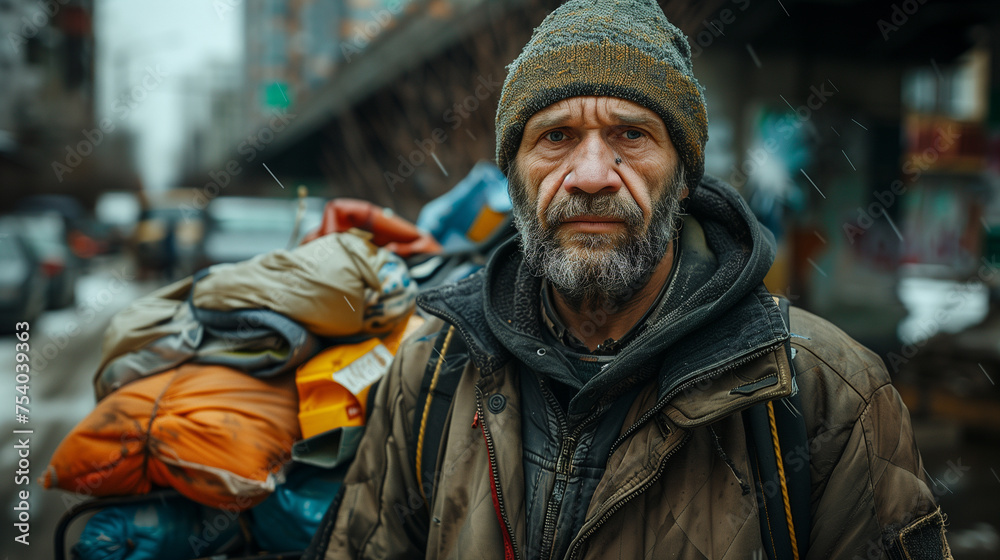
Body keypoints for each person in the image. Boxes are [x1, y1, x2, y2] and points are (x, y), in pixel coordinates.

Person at [310, 0, 952, 558]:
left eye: (631, 134)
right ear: (516, 177)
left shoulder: (826, 395)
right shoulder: (430, 373)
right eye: (556, 136)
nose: (592, 174)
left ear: (683, 175)